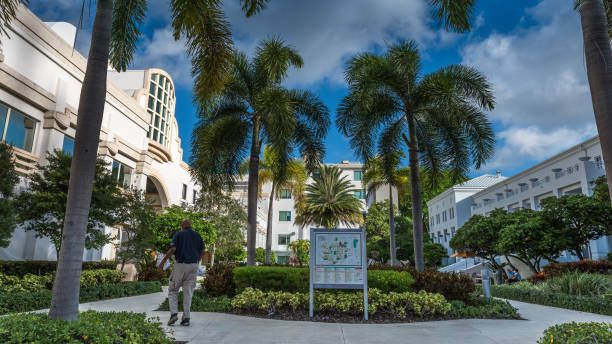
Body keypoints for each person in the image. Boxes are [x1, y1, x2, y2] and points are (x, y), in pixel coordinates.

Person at [157, 219, 205, 326]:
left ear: (182, 226)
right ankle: (186, 318)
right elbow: (203, 251)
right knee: (188, 292)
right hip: (193, 266)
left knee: (173, 290)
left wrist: (162, 263)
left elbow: (173, 249)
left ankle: (174, 314)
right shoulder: (197, 235)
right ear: (190, 225)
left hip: (181, 265)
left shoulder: (178, 234)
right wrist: (197, 261)